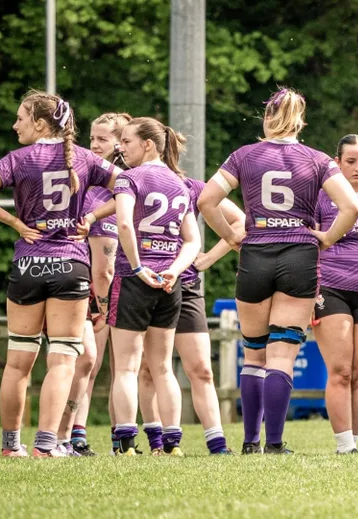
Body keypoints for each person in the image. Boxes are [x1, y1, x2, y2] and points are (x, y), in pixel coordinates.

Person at [199, 87, 358, 455]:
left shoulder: (244, 156)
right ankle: (274, 444)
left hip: (256, 253)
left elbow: (206, 200)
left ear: (267, 118)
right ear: (301, 121)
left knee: (253, 352)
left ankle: (249, 442)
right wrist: (326, 239)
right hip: (299, 256)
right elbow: (350, 207)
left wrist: (230, 236)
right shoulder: (317, 159)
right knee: (282, 355)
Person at [0, 90, 119, 457]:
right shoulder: (84, 158)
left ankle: (9, 447)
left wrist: (16, 223)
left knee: (18, 360)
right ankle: (46, 445)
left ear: (39, 122)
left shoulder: (18, 159)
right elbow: (131, 188)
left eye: (20, 118)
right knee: (63, 359)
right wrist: (93, 217)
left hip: (28, 265)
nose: (14, 124)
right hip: (70, 265)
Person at [108, 117, 201, 456]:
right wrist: (175, 271)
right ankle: (172, 443)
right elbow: (193, 240)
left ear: (148, 144)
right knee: (163, 367)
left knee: (127, 367)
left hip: (134, 279)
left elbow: (122, 224)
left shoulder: (129, 178)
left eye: (128, 142)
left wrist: (137, 266)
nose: (122, 148)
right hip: (168, 284)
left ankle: (126, 443)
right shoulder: (179, 184)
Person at [135, 175, 243, 455]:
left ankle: (217, 444)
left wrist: (208, 258)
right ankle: (158, 444)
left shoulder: (192, 186)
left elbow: (240, 221)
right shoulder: (132, 182)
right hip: (148, 284)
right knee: (148, 368)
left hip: (187, 285)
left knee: (202, 369)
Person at [56, 112, 130, 456]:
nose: (93, 143)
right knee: (90, 362)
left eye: (101, 138)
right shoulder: (93, 188)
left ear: (119, 143)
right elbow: (102, 266)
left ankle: (113, 436)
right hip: (93, 291)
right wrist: (100, 305)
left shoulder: (118, 188)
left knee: (116, 366)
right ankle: (73, 435)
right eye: (92, 136)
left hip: (118, 288)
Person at [313, 134, 358, 454]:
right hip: (330, 287)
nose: (357, 167)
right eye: (350, 161)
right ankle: (343, 446)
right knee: (340, 370)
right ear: (336, 162)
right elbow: (309, 236)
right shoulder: (323, 196)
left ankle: (355, 443)